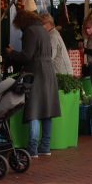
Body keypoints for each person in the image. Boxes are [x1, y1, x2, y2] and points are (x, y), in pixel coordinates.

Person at [13, 9, 61, 157]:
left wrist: (11, 53)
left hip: (36, 72)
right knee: (47, 111)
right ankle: (45, 147)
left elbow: (27, 55)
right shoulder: (43, 30)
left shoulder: (30, 31)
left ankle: (32, 149)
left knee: (34, 110)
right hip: (48, 72)